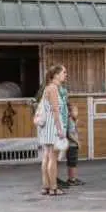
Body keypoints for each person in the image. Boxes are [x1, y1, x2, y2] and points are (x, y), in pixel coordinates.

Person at [37, 65, 68, 196]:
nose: (66, 75)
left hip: (46, 127)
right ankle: (54, 187)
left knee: (46, 157)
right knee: (52, 158)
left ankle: (46, 186)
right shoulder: (54, 89)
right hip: (53, 126)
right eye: (64, 72)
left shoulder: (47, 88)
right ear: (56, 75)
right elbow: (55, 110)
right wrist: (60, 129)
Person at [64, 104, 84, 186]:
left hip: (71, 146)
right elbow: (70, 134)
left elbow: (74, 131)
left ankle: (71, 178)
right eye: (75, 111)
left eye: (77, 111)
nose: (77, 113)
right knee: (73, 164)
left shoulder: (72, 120)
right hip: (72, 146)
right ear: (69, 112)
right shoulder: (70, 121)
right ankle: (72, 179)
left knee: (71, 163)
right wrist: (77, 142)